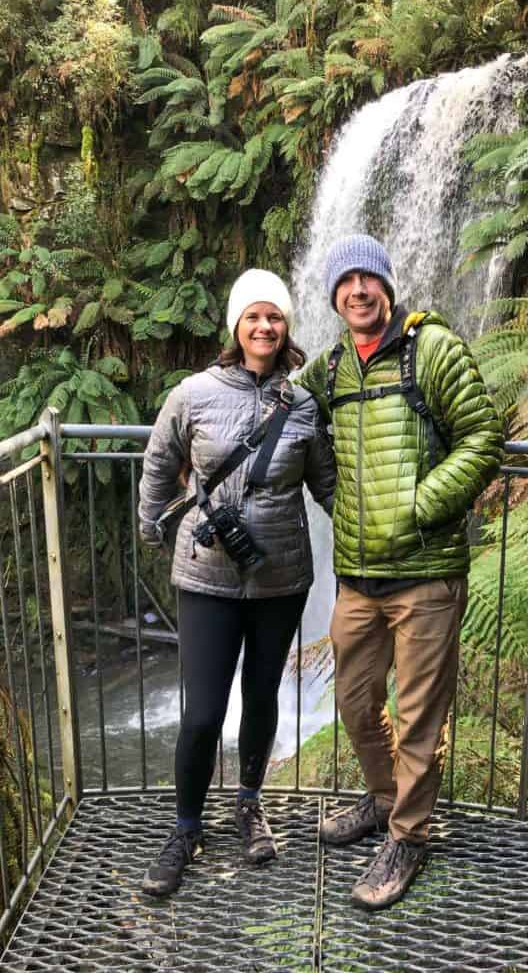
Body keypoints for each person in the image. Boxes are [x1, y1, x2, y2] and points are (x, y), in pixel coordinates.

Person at [299, 234, 502, 910]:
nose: (358, 289)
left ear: (387, 285)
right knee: (357, 705)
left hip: (425, 576)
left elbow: (484, 438)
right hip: (358, 576)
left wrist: (423, 504)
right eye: (345, 281)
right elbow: (281, 414)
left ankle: (408, 837)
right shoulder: (329, 371)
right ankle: (385, 801)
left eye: (369, 277)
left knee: (417, 717)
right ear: (333, 296)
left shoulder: (432, 349)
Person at [138, 268, 335, 897]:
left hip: (281, 579)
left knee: (262, 698)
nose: (265, 326)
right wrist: (150, 523)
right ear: (235, 326)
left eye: (274, 317)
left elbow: (327, 485)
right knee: (201, 714)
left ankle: (249, 805)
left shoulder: (303, 405)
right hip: (207, 579)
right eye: (253, 316)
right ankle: (186, 827)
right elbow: (160, 460)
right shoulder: (193, 394)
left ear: (286, 329)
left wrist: (374, 536)